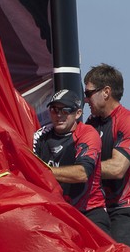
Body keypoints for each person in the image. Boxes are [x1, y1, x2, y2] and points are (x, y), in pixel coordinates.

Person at [84, 64, 130, 251]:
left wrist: (80, 169)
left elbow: (117, 169)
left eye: (88, 94)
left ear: (106, 92)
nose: (85, 100)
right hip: (99, 209)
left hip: (127, 210)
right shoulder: (91, 123)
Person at [33, 89, 110, 233]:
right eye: (54, 109)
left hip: (89, 211)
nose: (59, 115)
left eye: (65, 110)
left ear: (78, 113)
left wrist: (42, 170)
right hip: (57, 212)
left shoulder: (87, 134)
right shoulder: (40, 136)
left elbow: (81, 174)